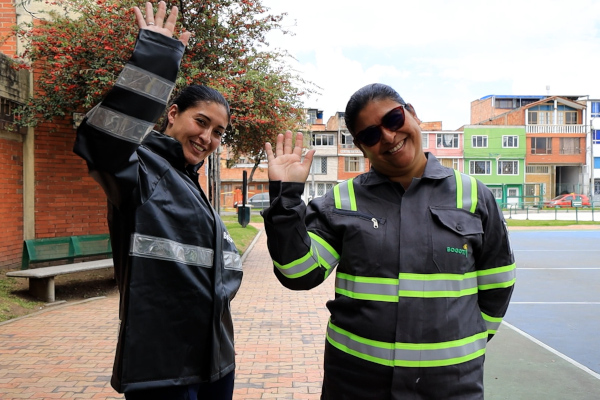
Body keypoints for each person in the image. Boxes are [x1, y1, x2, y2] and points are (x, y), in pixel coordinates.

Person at [262, 83, 516, 399]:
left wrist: (471, 339)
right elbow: (298, 273)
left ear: (411, 113)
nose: (388, 136)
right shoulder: (341, 202)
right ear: (361, 147)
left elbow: (498, 282)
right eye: (371, 135)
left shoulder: (474, 196)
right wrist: (286, 198)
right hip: (357, 385)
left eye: (393, 119)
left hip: (451, 387)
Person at [73, 2, 242, 399]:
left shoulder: (191, 183)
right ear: (172, 114)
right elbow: (102, 142)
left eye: (218, 132)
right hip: (162, 369)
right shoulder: (140, 170)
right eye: (201, 122)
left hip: (215, 359)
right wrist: (155, 62)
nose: (208, 138)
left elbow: (223, 259)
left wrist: (217, 296)